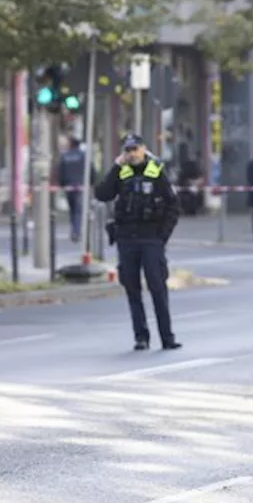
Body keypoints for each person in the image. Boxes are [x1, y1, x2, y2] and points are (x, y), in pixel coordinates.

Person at [95, 133, 182, 351]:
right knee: (132, 288)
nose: (132, 154)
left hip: (151, 238)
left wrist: (162, 237)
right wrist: (115, 167)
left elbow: (173, 206)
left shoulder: (156, 172)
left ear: (143, 149)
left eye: (135, 149)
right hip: (126, 239)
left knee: (157, 288)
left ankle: (167, 337)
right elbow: (103, 194)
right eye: (128, 150)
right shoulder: (121, 172)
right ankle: (141, 337)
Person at [57, 136, 89, 242]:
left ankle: (74, 230)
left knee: (72, 210)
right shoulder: (83, 155)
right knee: (78, 210)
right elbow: (90, 169)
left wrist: (62, 184)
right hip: (80, 186)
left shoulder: (65, 156)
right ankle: (77, 231)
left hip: (69, 187)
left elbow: (61, 171)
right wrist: (91, 182)